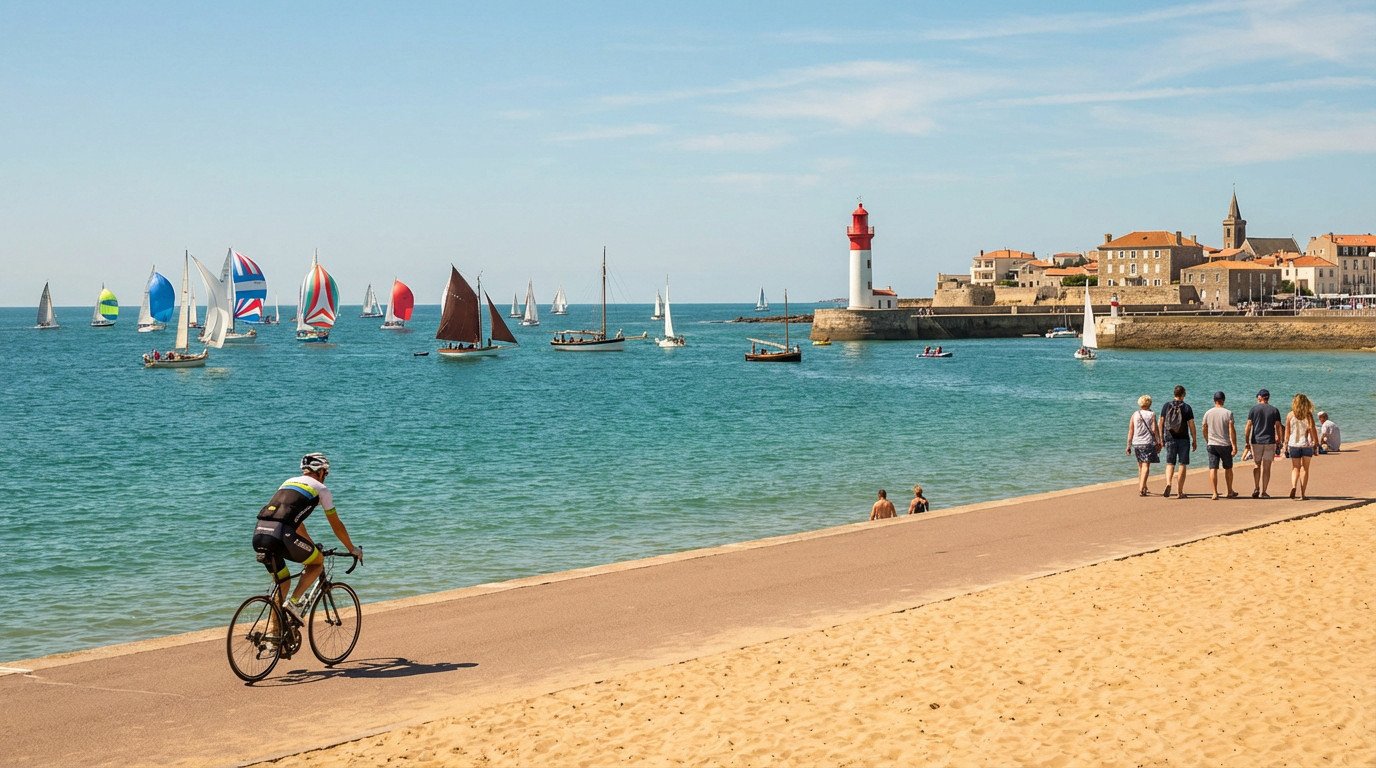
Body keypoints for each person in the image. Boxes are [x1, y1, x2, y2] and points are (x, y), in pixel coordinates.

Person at [252, 453, 363, 641]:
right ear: (320, 472)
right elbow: (336, 524)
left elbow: (296, 523)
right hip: (282, 536)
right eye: (326, 473)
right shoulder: (321, 489)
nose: (325, 476)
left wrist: (310, 545)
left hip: (260, 535)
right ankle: (294, 603)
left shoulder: (288, 482)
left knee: (283, 583)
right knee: (317, 562)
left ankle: (274, 637)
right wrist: (352, 548)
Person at [1244, 389, 1284, 498]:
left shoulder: (1253, 409)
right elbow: (1278, 426)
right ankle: (1264, 491)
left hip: (1256, 441)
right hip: (1269, 441)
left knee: (1257, 465)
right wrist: (1279, 440)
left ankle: (1256, 487)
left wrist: (1247, 440)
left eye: (1258, 397)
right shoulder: (1274, 410)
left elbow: (1248, 426)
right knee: (1267, 467)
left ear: (1260, 397)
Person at [1160, 385, 1198, 499]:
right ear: (1183, 394)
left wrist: (1161, 438)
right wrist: (1194, 439)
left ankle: (1168, 483)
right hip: (1183, 439)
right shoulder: (1187, 407)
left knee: (1170, 463)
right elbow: (1191, 425)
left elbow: (1161, 422)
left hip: (1169, 438)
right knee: (1182, 464)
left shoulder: (1166, 406)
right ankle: (1179, 491)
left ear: (1174, 394)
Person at [1200, 391, 1239, 500]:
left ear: (1214, 400)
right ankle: (1229, 491)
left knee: (1213, 468)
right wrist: (1234, 445)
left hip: (1212, 444)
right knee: (1228, 468)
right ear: (1223, 400)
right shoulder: (1228, 413)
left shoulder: (1208, 413)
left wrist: (1207, 439)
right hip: (1225, 444)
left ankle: (1214, 493)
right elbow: (1231, 430)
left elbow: (1204, 427)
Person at [1285, 394, 1320, 500]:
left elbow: (1287, 431)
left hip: (1293, 444)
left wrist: (1285, 444)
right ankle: (1303, 494)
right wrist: (1316, 443)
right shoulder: (1308, 415)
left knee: (1295, 467)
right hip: (1306, 444)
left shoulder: (1290, 415)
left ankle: (1293, 486)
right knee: (1305, 468)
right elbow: (1312, 429)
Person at [1126, 394, 1162, 496]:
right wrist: (1158, 441)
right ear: (1149, 403)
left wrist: (1128, 445)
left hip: (1137, 443)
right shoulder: (1151, 414)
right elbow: (1154, 429)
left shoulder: (1135, 414)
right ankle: (1142, 488)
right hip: (1147, 442)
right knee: (1146, 465)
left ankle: (1143, 486)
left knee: (1140, 465)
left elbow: (1131, 431)